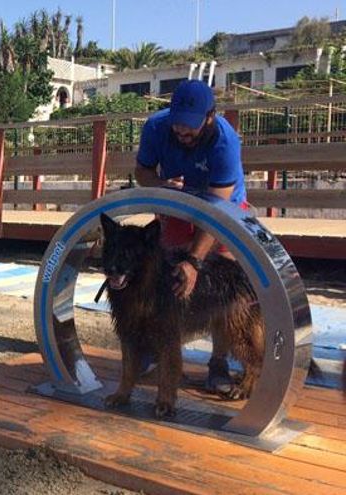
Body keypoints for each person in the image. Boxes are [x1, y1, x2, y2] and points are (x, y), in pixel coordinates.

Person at [133, 79, 249, 396]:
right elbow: (141, 173)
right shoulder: (157, 127)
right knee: (166, 281)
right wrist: (161, 184)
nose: (182, 133)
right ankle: (162, 353)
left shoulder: (224, 140)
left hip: (221, 208)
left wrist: (195, 261)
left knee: (222, 289)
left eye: (191, 128)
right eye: (178, 127)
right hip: (179, 203)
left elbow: (216, 209)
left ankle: (218, 362)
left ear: (210, 117)